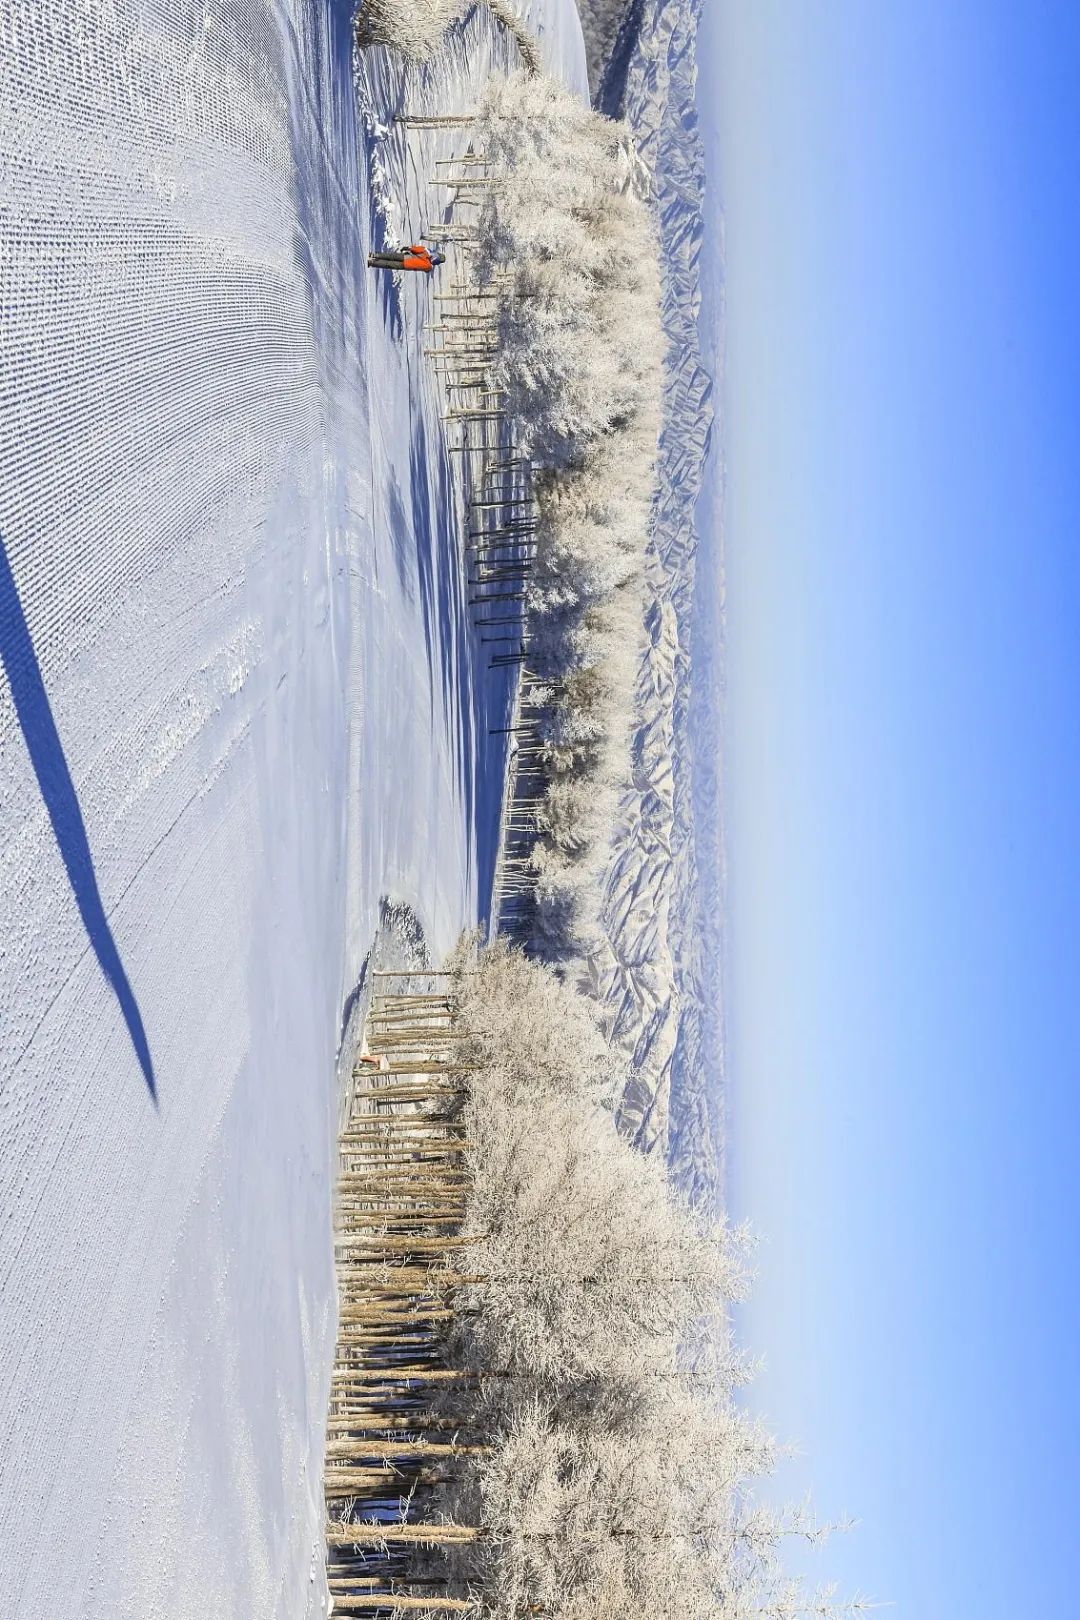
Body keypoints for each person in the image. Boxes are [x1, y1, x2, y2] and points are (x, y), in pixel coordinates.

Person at [367, 243, 446, 273]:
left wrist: (407, 248)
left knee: (391, 256)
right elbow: (427, 271)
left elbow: (415, 249)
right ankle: (372, 263)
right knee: (389, 264)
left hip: (408, 257)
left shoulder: (426, 252)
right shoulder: (429, 267)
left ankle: (374, 255)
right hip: (408, 265)